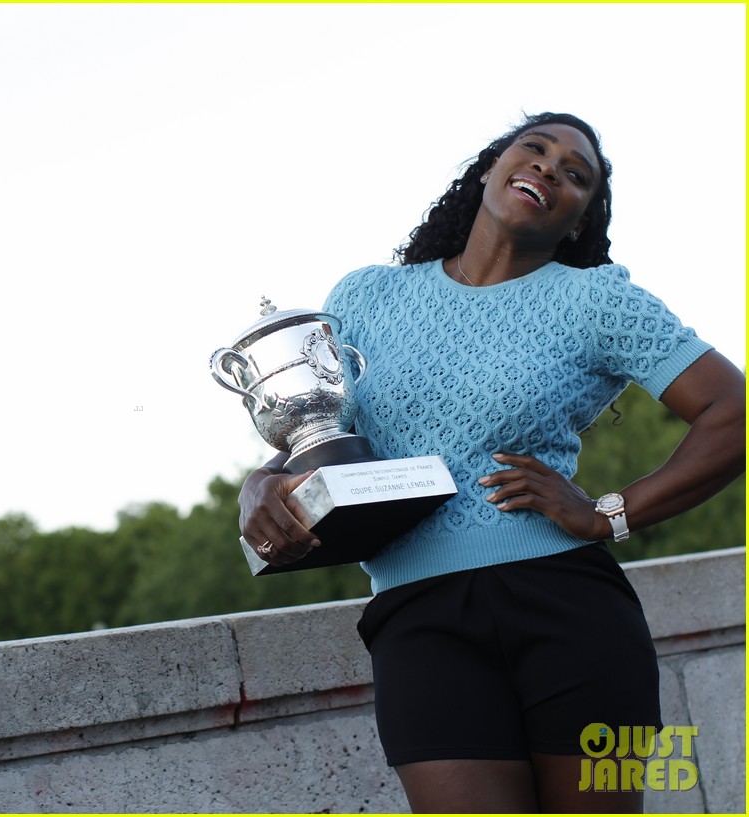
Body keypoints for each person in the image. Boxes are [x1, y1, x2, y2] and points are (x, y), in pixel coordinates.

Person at [238, 112, 745, 813]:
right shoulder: (364, 297)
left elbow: (733, 411)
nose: (549, 169)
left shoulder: (599, 301)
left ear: (576, 222)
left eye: (576, 175)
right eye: (533, 150)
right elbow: (313, 434)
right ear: (488, 168)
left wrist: (609, 513)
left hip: (572, 612)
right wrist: (258, 485)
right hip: (418, 624)